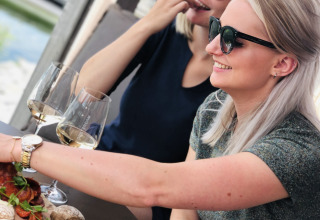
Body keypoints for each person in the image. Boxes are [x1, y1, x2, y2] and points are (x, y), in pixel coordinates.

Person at [1, 0, 320, 219]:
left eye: (231, 38)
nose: (212, 48)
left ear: (282, 63)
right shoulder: (215, 108)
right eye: (216, 30)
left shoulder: (298, 153)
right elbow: (184, 211)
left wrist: (18, 147)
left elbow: (157, 185)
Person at [77, 1, 229, 218]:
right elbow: (83, 94)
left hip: (151, 197)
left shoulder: (232, 77)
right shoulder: (164, 31)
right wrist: (147, 23)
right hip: (101, 158)